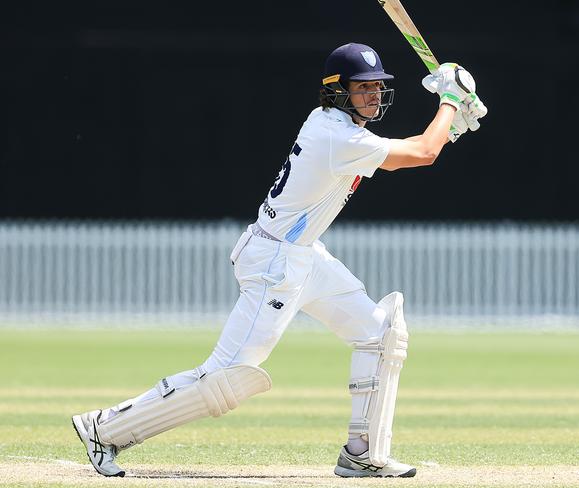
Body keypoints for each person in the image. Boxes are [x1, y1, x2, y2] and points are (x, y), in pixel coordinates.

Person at [72, 42, 487, 479]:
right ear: (337, 91)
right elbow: (422, 152)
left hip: (303, 254)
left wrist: (452, 125)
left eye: (377, 87)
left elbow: (416, 147)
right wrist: (450, 102)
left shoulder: (334, 127)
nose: (372, 95)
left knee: (380, 333)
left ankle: (363, 454)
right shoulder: (337, 137)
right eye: (362, 87)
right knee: (228, 376)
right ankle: (105, 429)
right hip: (276, 263)